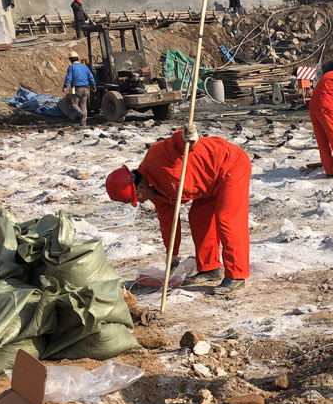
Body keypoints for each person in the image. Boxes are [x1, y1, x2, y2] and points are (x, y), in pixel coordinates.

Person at [105, 125, 251, 294]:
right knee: (198, 217)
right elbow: (168, 224)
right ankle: (210, 268)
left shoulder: (156, 157)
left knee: (227, 219)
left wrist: (187, 137)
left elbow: (176, 144)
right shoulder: (156, 194)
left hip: (229, 165)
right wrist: (172, 256)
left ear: (139, 188)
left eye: (137, 198)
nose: (141, 201)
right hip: (207, 184)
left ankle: (236, 275)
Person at [62, 50, 95, 127]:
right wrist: (93, 86)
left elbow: (68, 78)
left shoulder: (71, 67)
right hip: (86, 88)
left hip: (77, 89)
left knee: (73, 104)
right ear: (77, 58)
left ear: (70, 60)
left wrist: (65, 87)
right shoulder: (84, 66)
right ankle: (83, 124)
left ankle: (81, 114)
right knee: (83, 105)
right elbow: (91, 77)